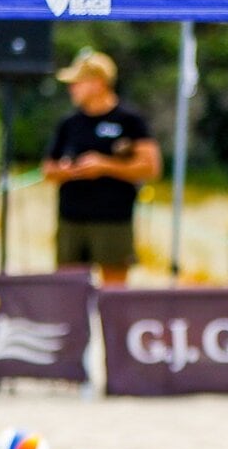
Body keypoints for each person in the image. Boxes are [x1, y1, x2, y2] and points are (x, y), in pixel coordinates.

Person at [41, 49, 161, 288]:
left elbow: (151, 167)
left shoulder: (129, 120)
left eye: (77, 83)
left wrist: (105, 166)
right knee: (68, 290)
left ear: (98, 83)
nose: (71, 88)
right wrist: (66, 171)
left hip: (112, 219)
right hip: (72, 218)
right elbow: (47, 169)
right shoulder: (69, 123)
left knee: (113, 294)